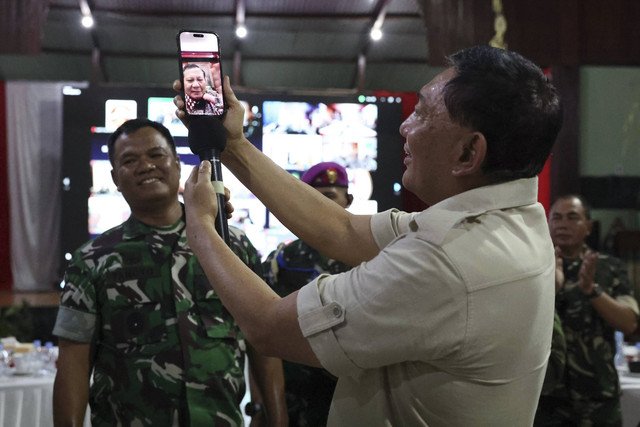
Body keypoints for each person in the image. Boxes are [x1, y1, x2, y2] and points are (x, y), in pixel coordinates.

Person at [176, 44, 564, 425]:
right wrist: (234, 145)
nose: (404, 126)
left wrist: (199, 226)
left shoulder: (446, 262)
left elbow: (268, 326)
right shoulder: (515, 217)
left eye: (423, 113)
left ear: (468, 154)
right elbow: (342, 229)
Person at [52, 118, 287, 426]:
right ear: (115, 177)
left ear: (177, 164)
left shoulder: (231, 245)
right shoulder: (92, 261)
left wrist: (277, 419)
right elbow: (73, 362)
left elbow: (265, 340)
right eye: (129, 160)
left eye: (156, 155)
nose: (145, 166)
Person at [535, 194, 639, 426]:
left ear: (588, 226)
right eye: (557, 218)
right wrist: (550, 287)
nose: (563, 224)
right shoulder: (532, 267)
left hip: (598, 397)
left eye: (572, 217)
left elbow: (630, 323)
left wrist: (591, 290)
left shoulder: (609, 267)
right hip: (544, 398)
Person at [262, 162, 353, 426]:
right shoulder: (282, 261)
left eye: (329, 197)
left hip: (354, 396)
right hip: (295, 397)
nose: (322, 205)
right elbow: (265, 337)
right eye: (313, 197)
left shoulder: (372, 258)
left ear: (348, 200)